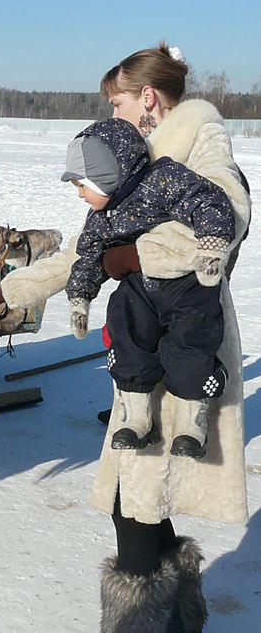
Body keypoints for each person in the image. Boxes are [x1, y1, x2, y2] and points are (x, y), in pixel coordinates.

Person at [0, 42, 251, 633]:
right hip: (150, 339)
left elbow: (232, 215)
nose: (112, 115)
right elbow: (88, 248)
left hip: (184, 348)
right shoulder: (138, 159)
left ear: (147, 97)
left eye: (116, 101)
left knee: (134, 497)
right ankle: (183, 628)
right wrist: (3, 293)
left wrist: (131, 259)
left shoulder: (200, 138)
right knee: (145, 493)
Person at [61, 117, 234, 459]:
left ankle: (191, 425)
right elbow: (89, 255)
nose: (79, 193)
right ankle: (137, 419)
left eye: (82, 184)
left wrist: (212, 243)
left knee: (190, 343)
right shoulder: (101, 216)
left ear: (107, 174)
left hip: (185, 284)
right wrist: (80, 296)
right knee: (125, 331)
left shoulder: (163, 179)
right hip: (140, 286)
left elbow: (209, 200)